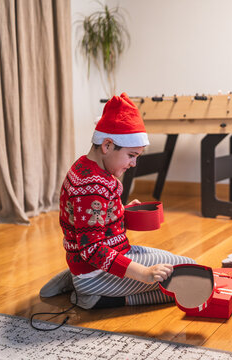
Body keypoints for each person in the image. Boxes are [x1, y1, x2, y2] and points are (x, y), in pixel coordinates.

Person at [39, 93, 195, 309]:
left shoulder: (84, 167)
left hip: (95, 262)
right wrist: (145, 273)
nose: (133, 163)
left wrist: (120, 212)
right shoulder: (92, 187)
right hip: (97, 271)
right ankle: (95, 296)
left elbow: (89, 224)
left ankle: (75, 279)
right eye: (131, 155)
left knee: (178, 269)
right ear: (107, 145)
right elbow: (92, 249)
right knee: (188, 275)